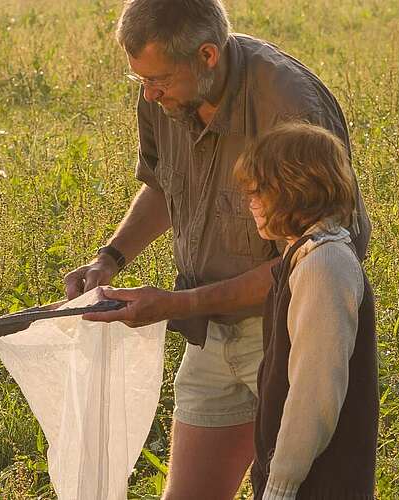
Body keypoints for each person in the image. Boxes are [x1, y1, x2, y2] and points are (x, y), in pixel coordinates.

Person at [62, 0, 371, 497]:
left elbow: (316, 257)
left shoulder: (289, 104)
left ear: (207, 55)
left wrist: (175, 305)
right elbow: (165, 185)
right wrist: (110, 257)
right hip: (208, 331)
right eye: (139, 80)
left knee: (297, 482)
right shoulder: (162, 95)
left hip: (287, 330)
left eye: (159, 79)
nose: (149, 93)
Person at [235, 123, 377, 499]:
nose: (250, 199)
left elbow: (315, 389)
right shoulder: (304, 255)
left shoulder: (325, 265)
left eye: (259, 189)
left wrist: (281, 484)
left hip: (321, 484)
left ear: (294, 190)